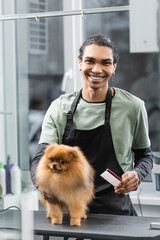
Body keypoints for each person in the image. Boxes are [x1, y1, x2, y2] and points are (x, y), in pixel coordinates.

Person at [31, 35, 153, 216]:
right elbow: (40, 159)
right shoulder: (59, 108)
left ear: (114, 67)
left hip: (117, 213)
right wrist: (44, 185)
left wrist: (137, 174)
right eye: (90, 61)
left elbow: (145, 156)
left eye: (105, 63)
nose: (97, 69)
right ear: (80, 63)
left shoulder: (133, 107)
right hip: (71, 211)